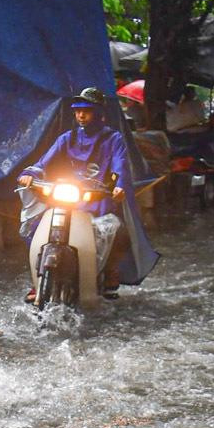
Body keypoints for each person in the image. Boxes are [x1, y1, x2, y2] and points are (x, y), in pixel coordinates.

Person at [18, 86, 133, 297]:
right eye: (78, 111)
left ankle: (109, 271)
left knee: (117, 230)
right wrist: (30, 174)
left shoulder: (113, 139)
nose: (81, 115)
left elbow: (120, 165)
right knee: (35, 228)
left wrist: (119, 186)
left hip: (98, 199)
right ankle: (38, 278)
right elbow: (43, 162)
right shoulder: (67, 138)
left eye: (86, 111)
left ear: (98, 113)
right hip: (68, 198)